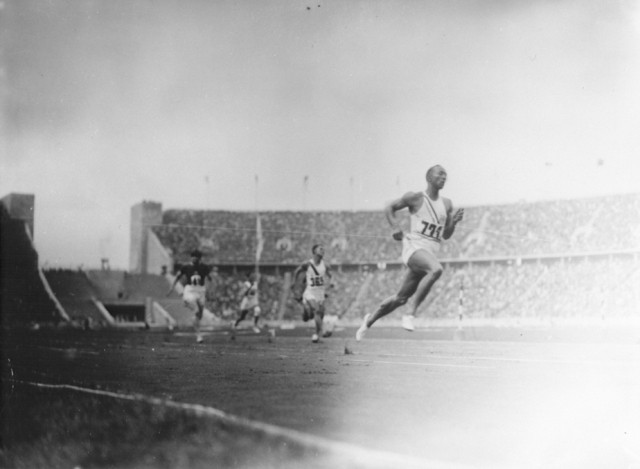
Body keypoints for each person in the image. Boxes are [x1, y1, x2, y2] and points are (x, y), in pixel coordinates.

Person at [356, 165, 464, 341]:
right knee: (436, 270)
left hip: (429, 252)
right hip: (413, 247)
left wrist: (454, 223)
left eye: (446, 175)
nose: (444, 177)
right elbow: (388, 207)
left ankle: (368, 322)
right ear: (429, 178)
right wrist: (395, 227)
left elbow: (446, 234)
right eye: (440, 174)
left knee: (400, 298)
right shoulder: (415, 198)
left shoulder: (447, 204)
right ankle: (410, 314)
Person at [167, 249, 213, 343]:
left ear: (199, 258)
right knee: (192, 305)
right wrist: (172, 287)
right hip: (190, 289)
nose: (193, 258)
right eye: (192, 256)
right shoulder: (186, 267)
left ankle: (195, 317)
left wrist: (208, 291)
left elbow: (209, 279)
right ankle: (198, 335)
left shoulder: (204, 267)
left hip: (201, 290)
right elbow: (177, 277)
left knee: (199, 315)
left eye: (196, 257)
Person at [292, 244, 333, 343]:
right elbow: (297, 271)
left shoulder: (326, 265)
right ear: (314, 252)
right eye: (320, 249)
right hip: (310, 292)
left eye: (323, 249)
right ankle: (323, 331)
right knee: (317, 310)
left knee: (320, 314)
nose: (323, 250)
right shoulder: (307, 264)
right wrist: (295, 283)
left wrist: (330, 285)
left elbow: (330, 276)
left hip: (320, 293)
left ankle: (316, 334)